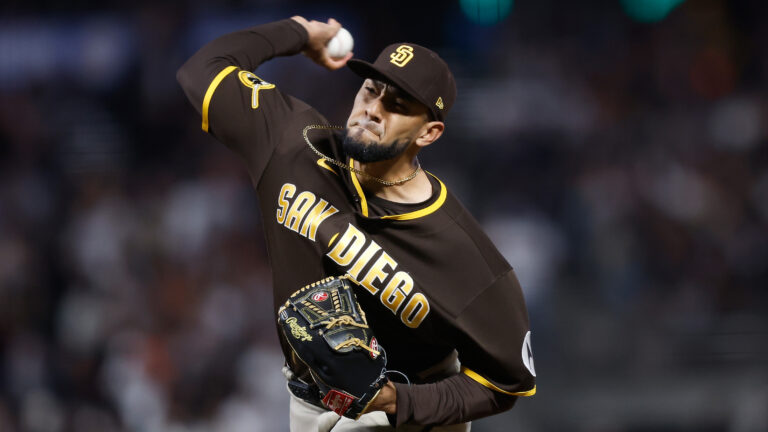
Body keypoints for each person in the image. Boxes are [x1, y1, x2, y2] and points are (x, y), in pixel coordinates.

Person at [177, 15, 536, 431]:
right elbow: (201, 71)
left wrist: (396, 401)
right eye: (371, 89)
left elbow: (506, 382)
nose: (373, 109)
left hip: (406, 412)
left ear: (429, 133)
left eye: (397, 105)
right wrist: (298, 34)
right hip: (305, 399)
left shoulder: (463, 253)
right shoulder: (293, 145)